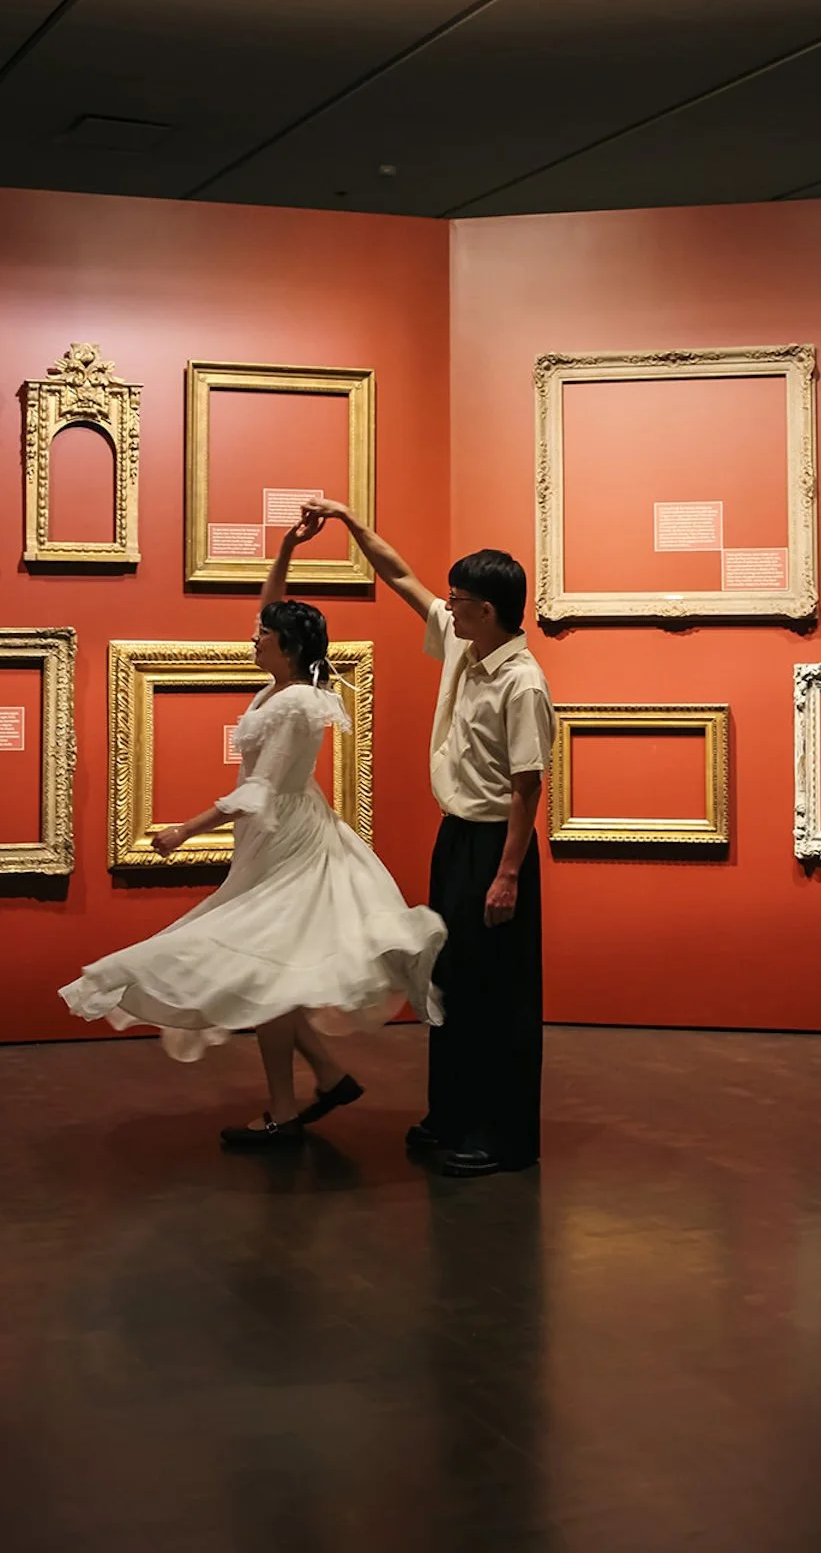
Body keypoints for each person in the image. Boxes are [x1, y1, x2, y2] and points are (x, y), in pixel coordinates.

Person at [58, 512, 446, 1150]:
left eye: (263, 634)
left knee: (265, 973)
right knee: (272, 973)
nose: (254, 637)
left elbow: (260, 791)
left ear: (286, 648)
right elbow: (273, 604)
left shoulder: (295, 703)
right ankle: (318, 1080)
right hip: (275, 841)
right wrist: (287, 549)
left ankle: (290, 1106)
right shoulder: (282, 687)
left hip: (291, 843)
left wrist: (184, 830)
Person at [305, 500, 555, 1178]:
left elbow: (527, 788)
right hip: (457, 840)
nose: (445, 607)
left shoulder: (522, 682)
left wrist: (506, 875)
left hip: (496, 849)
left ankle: (501, 1138)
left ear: (490, 609)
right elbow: (401, 576)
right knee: (447, 981)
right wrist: (350, 522)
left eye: (459, 600)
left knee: (494, 994)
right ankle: (450, 1115)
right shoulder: (464, 646)